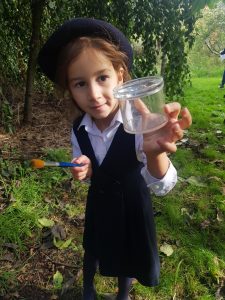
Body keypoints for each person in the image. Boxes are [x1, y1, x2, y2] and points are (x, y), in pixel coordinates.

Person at [38, 18, 192, 300]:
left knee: (126, 251)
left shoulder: (140, 127)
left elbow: (162, 185)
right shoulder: (78, 128)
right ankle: (88, 287)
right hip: (100, 201)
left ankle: (123, 293)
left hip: (132, 204)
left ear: (120, 75)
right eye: (80, 83)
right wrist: (83, 168)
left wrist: (155, 153)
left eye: (102, 78)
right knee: (94, 244)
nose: (94, 95)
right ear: (70, 89)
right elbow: (84, 161)